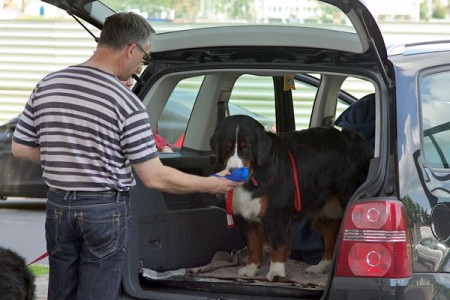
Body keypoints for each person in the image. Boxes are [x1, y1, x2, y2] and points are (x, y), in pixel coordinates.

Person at [11, 12, 239, 300]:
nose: (140, 66)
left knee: (61, 292)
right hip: (103, 211)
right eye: (144, 58)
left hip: (58, 207)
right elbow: (154, 177)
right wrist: (214, 184)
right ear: (132, 49)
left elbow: (21, 148)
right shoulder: (125, 102)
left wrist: (70, 152)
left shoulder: (49, 84)